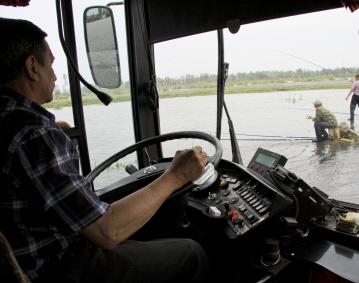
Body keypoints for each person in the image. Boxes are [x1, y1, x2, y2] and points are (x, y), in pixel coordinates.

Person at [0, 18, 210, 283]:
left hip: (37, 255)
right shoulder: (32, 134)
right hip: (59, 265)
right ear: (32, 67)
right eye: (50, 64)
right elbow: (106, 231)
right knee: (191, 254)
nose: (54, 75)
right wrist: (176, 175)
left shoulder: (13, 121)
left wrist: (53, 138)